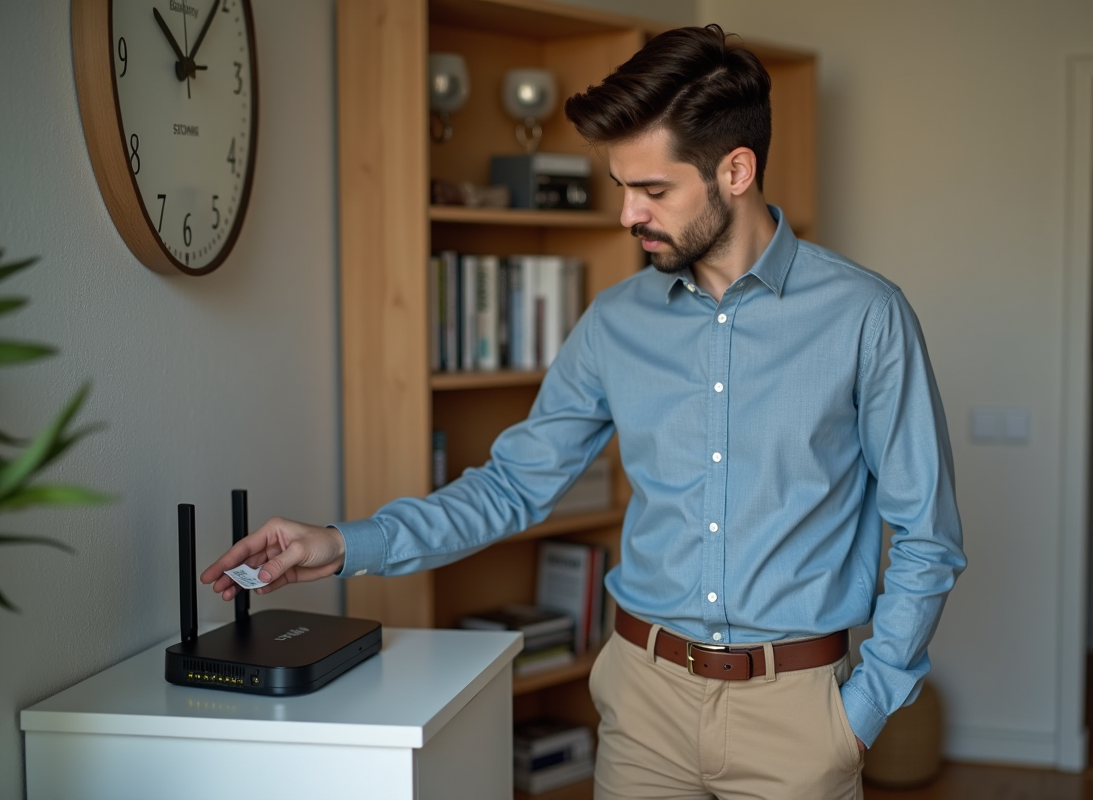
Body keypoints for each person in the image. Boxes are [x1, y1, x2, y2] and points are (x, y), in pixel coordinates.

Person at [202, 23, 965, 799]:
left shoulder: (866, 316)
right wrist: (339, 544)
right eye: (621, 186)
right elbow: (511, 488)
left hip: (799, 719)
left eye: (654, 190)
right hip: (643, 711)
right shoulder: (614, 321)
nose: (628, 215)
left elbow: (927, 536)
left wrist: (860, 712)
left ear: (736, 170)